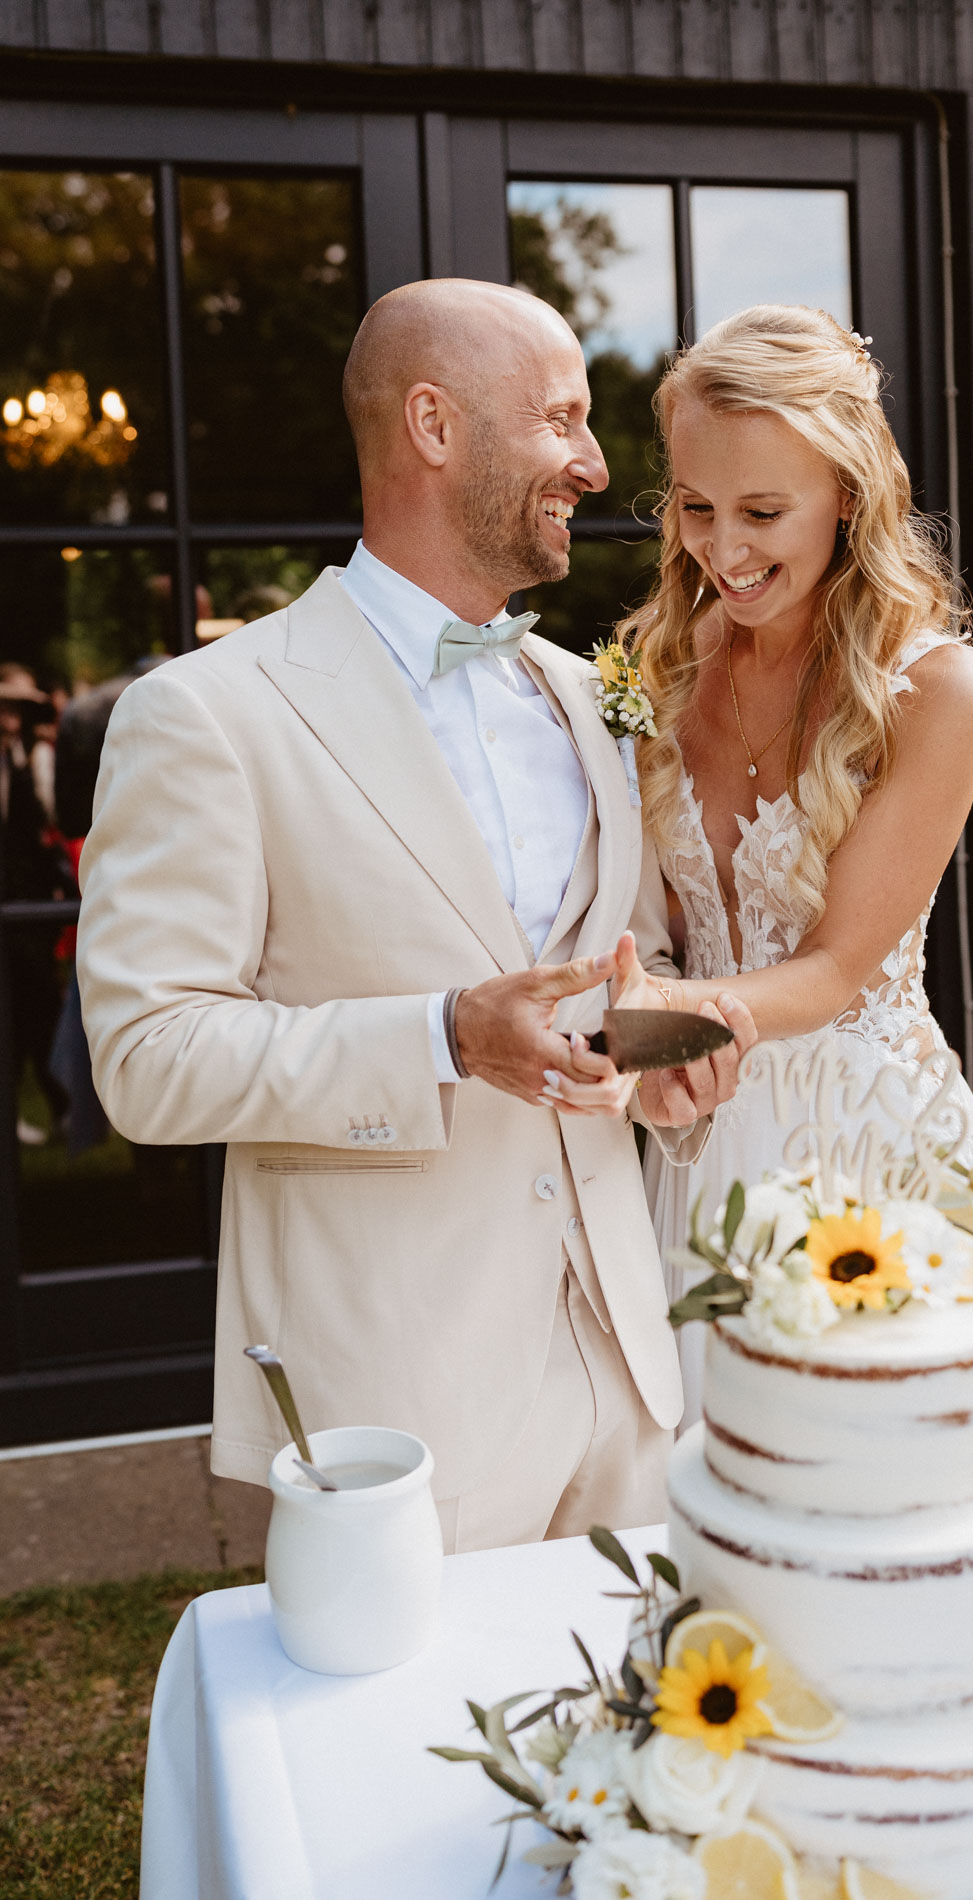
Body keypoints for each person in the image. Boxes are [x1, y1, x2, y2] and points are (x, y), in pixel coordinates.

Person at [76, 279, 753, 1551]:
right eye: (560, 419)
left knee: (643, 1734)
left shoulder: (583, 691)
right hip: (393, 1397)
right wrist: (441, 1035)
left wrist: (654, 1049)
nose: (596, 464)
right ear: (434, 425)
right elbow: (146, 1061)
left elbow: (613, 966)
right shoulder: (210, 714)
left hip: (627, 1373)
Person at [610, 306, 973, 1428]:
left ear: (849, 494)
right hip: (692, 1129)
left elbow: (833, 970)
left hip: (861, 1148)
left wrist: (652, 1012)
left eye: (762, 513)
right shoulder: (658, 668)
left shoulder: (934, 689)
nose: (722, 552)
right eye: (694, 507)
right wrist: (622, 1036)